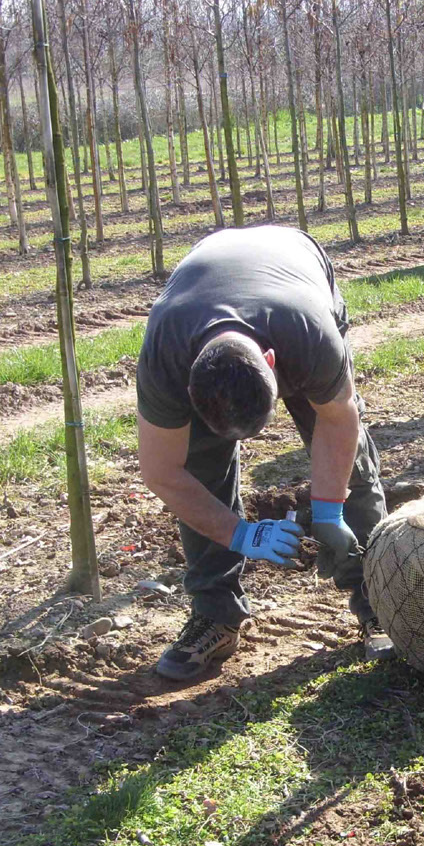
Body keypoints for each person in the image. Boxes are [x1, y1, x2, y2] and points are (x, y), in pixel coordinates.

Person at [136, 226, 392, 680]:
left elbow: (338, 419)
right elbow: (162, 471)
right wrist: (239, 534)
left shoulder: (310, 335)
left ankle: (378, 602)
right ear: (189, 389)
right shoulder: (166, 356)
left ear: (273, 363)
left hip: (295, 270)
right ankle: (216, 614)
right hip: (206, 283)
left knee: (350, 464)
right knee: (199, 464)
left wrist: (330, 513)